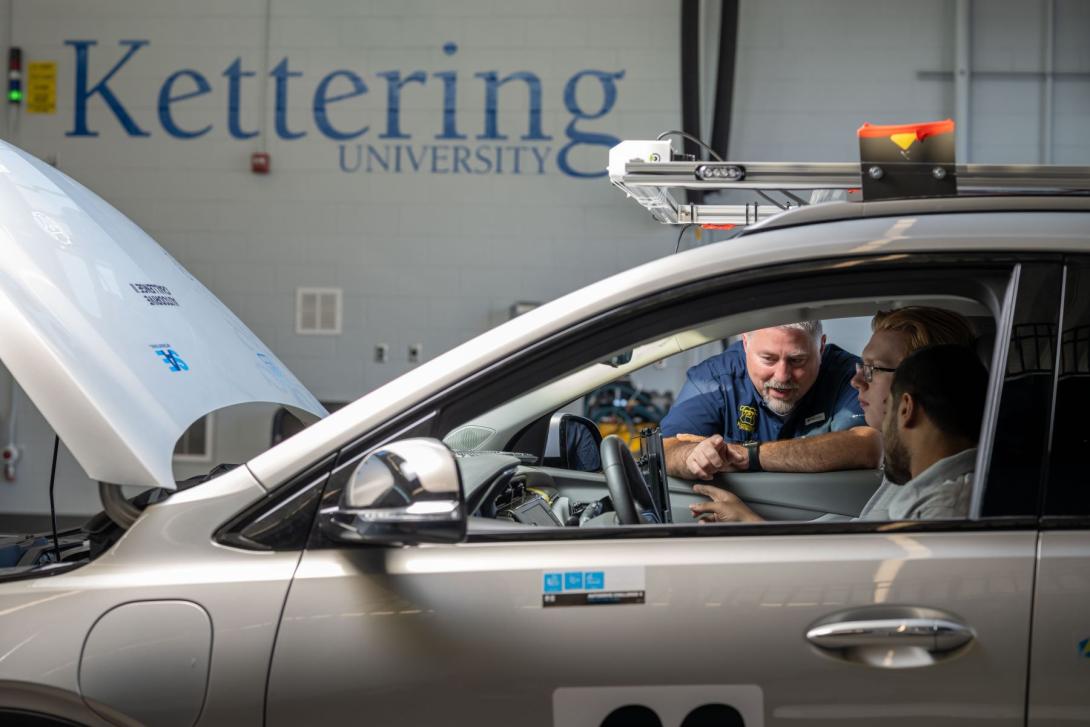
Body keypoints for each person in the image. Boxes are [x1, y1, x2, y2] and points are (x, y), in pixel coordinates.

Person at [691, 342, 988, 523]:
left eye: (871, 370)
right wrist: (752, 522)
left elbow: (866, 578)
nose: (856, 380)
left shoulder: (946, 509)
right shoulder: (916, 481)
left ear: (906, 407)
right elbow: (862, 539)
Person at [662, 321, 868, 479]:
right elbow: (666, 447)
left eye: (797, 360)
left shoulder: (852, 376)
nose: (782, 376)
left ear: (821, 348)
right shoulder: (714, 378)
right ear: (745, 343)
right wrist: (692, 456)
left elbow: (868, 446)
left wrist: (747, 455)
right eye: (768, 359)